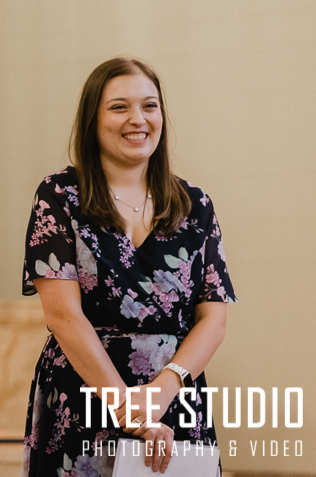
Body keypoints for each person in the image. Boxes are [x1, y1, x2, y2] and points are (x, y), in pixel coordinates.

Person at [22, 57, 235, 477]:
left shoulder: (195, 205)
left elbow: (214, 320)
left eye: (149, 106)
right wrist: (127, 408)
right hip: (84, 395)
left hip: (174, 398)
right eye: (119, 107)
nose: (138, 119)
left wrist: (162, 392)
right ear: (93, 119)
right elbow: (63, 316)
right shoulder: (60, 195)